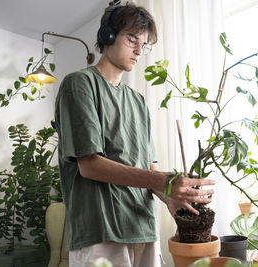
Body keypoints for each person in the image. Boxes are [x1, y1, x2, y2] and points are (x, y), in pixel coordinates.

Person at [54, 1, 215, 267]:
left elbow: (148, 166)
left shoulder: (138, 101)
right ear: (107, 36)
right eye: (132, 39)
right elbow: (89, 165)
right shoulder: (80, 84)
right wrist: (164, 180)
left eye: (144, 44)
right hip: (101, 231)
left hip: (142, 226)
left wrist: (171, 197)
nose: (140, 50)